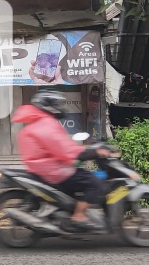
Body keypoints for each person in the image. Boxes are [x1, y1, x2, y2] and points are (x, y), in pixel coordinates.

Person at [11, 90, 110, 229]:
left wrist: (83, 150)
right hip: (56, 170)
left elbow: (61, 147)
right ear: (49, 106)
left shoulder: (35, 124)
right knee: (94, 183)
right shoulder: (47, 125)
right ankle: (79, 215)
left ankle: (69, 212)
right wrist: (92, 152)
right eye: (57, 104)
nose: (60, 107)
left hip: (43, 168)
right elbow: (65, 151)